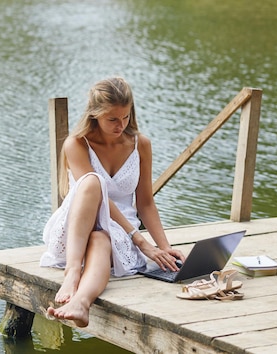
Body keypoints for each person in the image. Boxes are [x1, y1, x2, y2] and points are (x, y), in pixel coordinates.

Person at [40, 76, 185, 328]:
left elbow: (146, 203)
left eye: (126, 117)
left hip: (118, 233)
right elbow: (100, 199)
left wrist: (164, 247)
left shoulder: (141, 145)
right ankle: (72, 272)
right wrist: (139, 239)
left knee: (100, 238)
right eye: (113, 119)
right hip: (75, 231)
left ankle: (81, 304)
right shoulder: (76, 144)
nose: (121, 125)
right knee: (94, 182)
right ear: (95, 114)